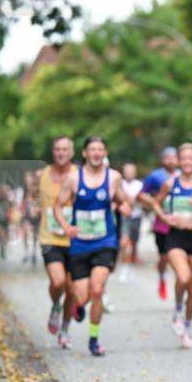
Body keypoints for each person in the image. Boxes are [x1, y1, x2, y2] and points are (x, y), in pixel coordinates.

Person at [53, 136, 131, 357]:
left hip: (105, 241)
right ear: (85, 153)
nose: (96, 153)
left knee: (97, 290)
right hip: (79, 244)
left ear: (105, 153)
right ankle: (78, 305)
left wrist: (124, 206)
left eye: (100, 150)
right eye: (92, 150)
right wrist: (67, 227)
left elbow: (122, 199)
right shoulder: (73, 178)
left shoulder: (113, 177)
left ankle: (94, 339)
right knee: (81, 297)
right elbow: (58, 206)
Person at [152, 143, 192, 349]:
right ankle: (178, 307)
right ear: (179, 161)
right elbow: (155, 203)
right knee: (184, 277)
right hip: (175, 237)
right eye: (184, 158)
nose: (188, 162)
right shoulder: (170, 184)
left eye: (191, 158)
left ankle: (187, 326)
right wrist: (164, 216)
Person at [37, 137, 77, 348]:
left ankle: (65, 330)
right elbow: (34, 197)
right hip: (49, 237)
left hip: (74, 238)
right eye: (57, 149)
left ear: (72, 152)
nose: (61, 153)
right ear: (53, 152)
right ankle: (55, 305)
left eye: (65, 149)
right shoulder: (42, 175)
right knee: (58, 282)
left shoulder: (80, 175)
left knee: (71, 290)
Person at [138, 147, 179, 300]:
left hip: (180, 225)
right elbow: (141, 195)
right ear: (163, 160)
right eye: (167, 157)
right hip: (162, 224)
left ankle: (180, 282)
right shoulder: (155, 176)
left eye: (174, 157)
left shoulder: (184, 176)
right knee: (164, 257)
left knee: (178, 257)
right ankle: (162, 276)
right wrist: (155, 202)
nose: (171, 160)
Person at [119, 163, 144, 283]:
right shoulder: (120, 184)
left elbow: (143, 199)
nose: (129, 173)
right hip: (124, 217)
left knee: (134, 244)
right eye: (127, 171)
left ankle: (132, 267)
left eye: (131, 171)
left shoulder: (140, 185)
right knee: (124, 242)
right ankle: (124, 267)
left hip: (136, 216)